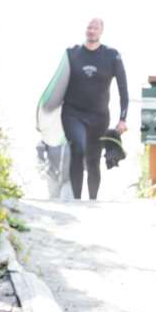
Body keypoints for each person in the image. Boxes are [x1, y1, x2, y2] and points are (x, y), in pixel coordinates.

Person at [62, 18, 129, 200]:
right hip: (72, 113)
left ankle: (92, 201)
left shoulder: (111, 55)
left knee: (93, 159)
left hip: (99, 116)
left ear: (101, 31)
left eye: (95, 27)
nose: (91, 30)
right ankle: (76, 200)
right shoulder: (71, 53)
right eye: (89, 27)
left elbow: (122, 87)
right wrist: (45, 115)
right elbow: (57, 86)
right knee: (77, 149)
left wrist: (122, 118)